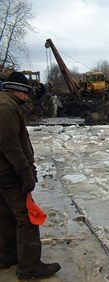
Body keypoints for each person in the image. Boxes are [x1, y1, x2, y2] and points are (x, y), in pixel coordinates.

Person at [0, 71, 61, 279]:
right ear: (20, 91)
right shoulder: (7, 108)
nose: (28, 98)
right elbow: (9, 144)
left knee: (7, 216)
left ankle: (7, 257)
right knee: (26, 219)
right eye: (27, 93)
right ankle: (29, 267)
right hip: (9, 174)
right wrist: (25, 172)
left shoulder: (5, 104)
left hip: (4, 174)